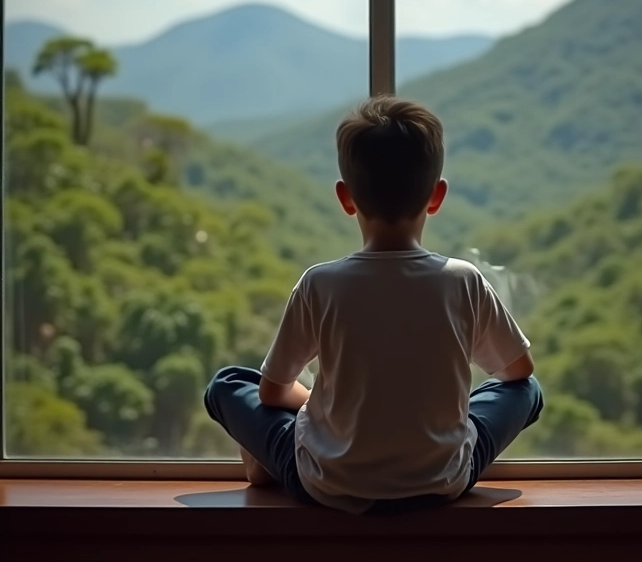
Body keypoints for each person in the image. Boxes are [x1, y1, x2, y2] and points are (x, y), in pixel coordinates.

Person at [204, 96, 543, 514]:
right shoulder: (463, 280)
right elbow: (519, 373)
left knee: (227, 384)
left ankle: (271, 460)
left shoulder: (320, 283)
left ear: (346, 198)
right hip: (441, 480)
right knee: (528, 391)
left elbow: (271, 393)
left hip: (327, 483)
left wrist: (319, 403)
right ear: (436, 197)